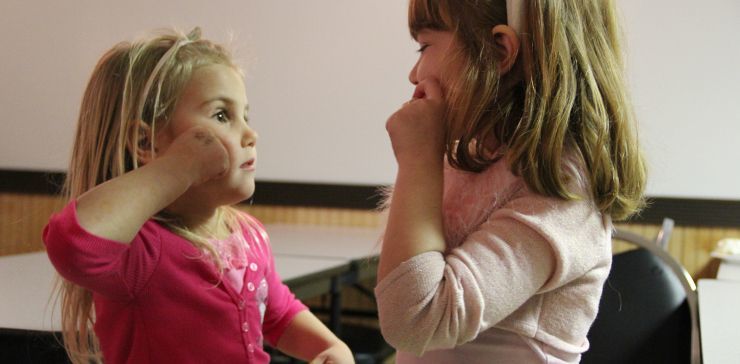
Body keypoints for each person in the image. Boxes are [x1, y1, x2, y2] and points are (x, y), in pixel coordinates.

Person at [43, 27, 353, 364]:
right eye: (222, 115)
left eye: (245, 116)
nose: (251, 133)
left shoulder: (248, 235)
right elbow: (73, 245)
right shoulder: (141, 253)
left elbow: (277, 313)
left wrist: (330, 347)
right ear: (147, 143)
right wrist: (178, 167)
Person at [375, 0, 647, 362]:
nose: (414, 73)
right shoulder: (470, 160)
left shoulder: (562, 191)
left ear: (499, 52)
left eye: (425, 46)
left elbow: (415, 321)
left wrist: (417, 161)